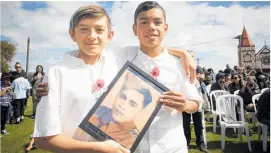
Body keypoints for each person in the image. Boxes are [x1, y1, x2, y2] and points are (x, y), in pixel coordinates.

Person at [35, 2, 201, 153]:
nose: (92, 36)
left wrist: (183, 54)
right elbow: (44, 139)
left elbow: (196, 103)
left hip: (170, 147)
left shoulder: (178, 64)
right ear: (134, 29)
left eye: (99, 30)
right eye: (84, 29)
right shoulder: (120, 57)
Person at [90, 77, 152, 149]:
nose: (122, 105)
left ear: (141, 112)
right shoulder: (100, 110)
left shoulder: (132, 139)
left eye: (132, 104)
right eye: (122, 97)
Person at [183, 65, 208, 153]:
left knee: (198, 125)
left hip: (197, 100)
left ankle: (200, 143)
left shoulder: (197, 67)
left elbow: (202, 76)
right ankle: (186, 142)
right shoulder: (182, 67)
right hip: (186, 100)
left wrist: (194, 76)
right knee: (185, 124)